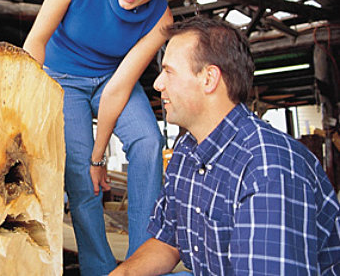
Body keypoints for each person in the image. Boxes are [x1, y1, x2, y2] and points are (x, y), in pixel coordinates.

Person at [112, 16, 340, 276]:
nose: (157, 84)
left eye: (169, 72)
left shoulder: (267, 169)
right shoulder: (187, 149)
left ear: (209, 78)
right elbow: (168, 240)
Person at [23, 0, 178, 275]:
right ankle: (98, 268)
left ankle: (142, 263)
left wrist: (101, 154)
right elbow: (35, 42)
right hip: (62, 80)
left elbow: (119, 87)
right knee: (80, 174)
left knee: (149, 141)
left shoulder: (161, 18)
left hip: (113, 78)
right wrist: (25, 103)